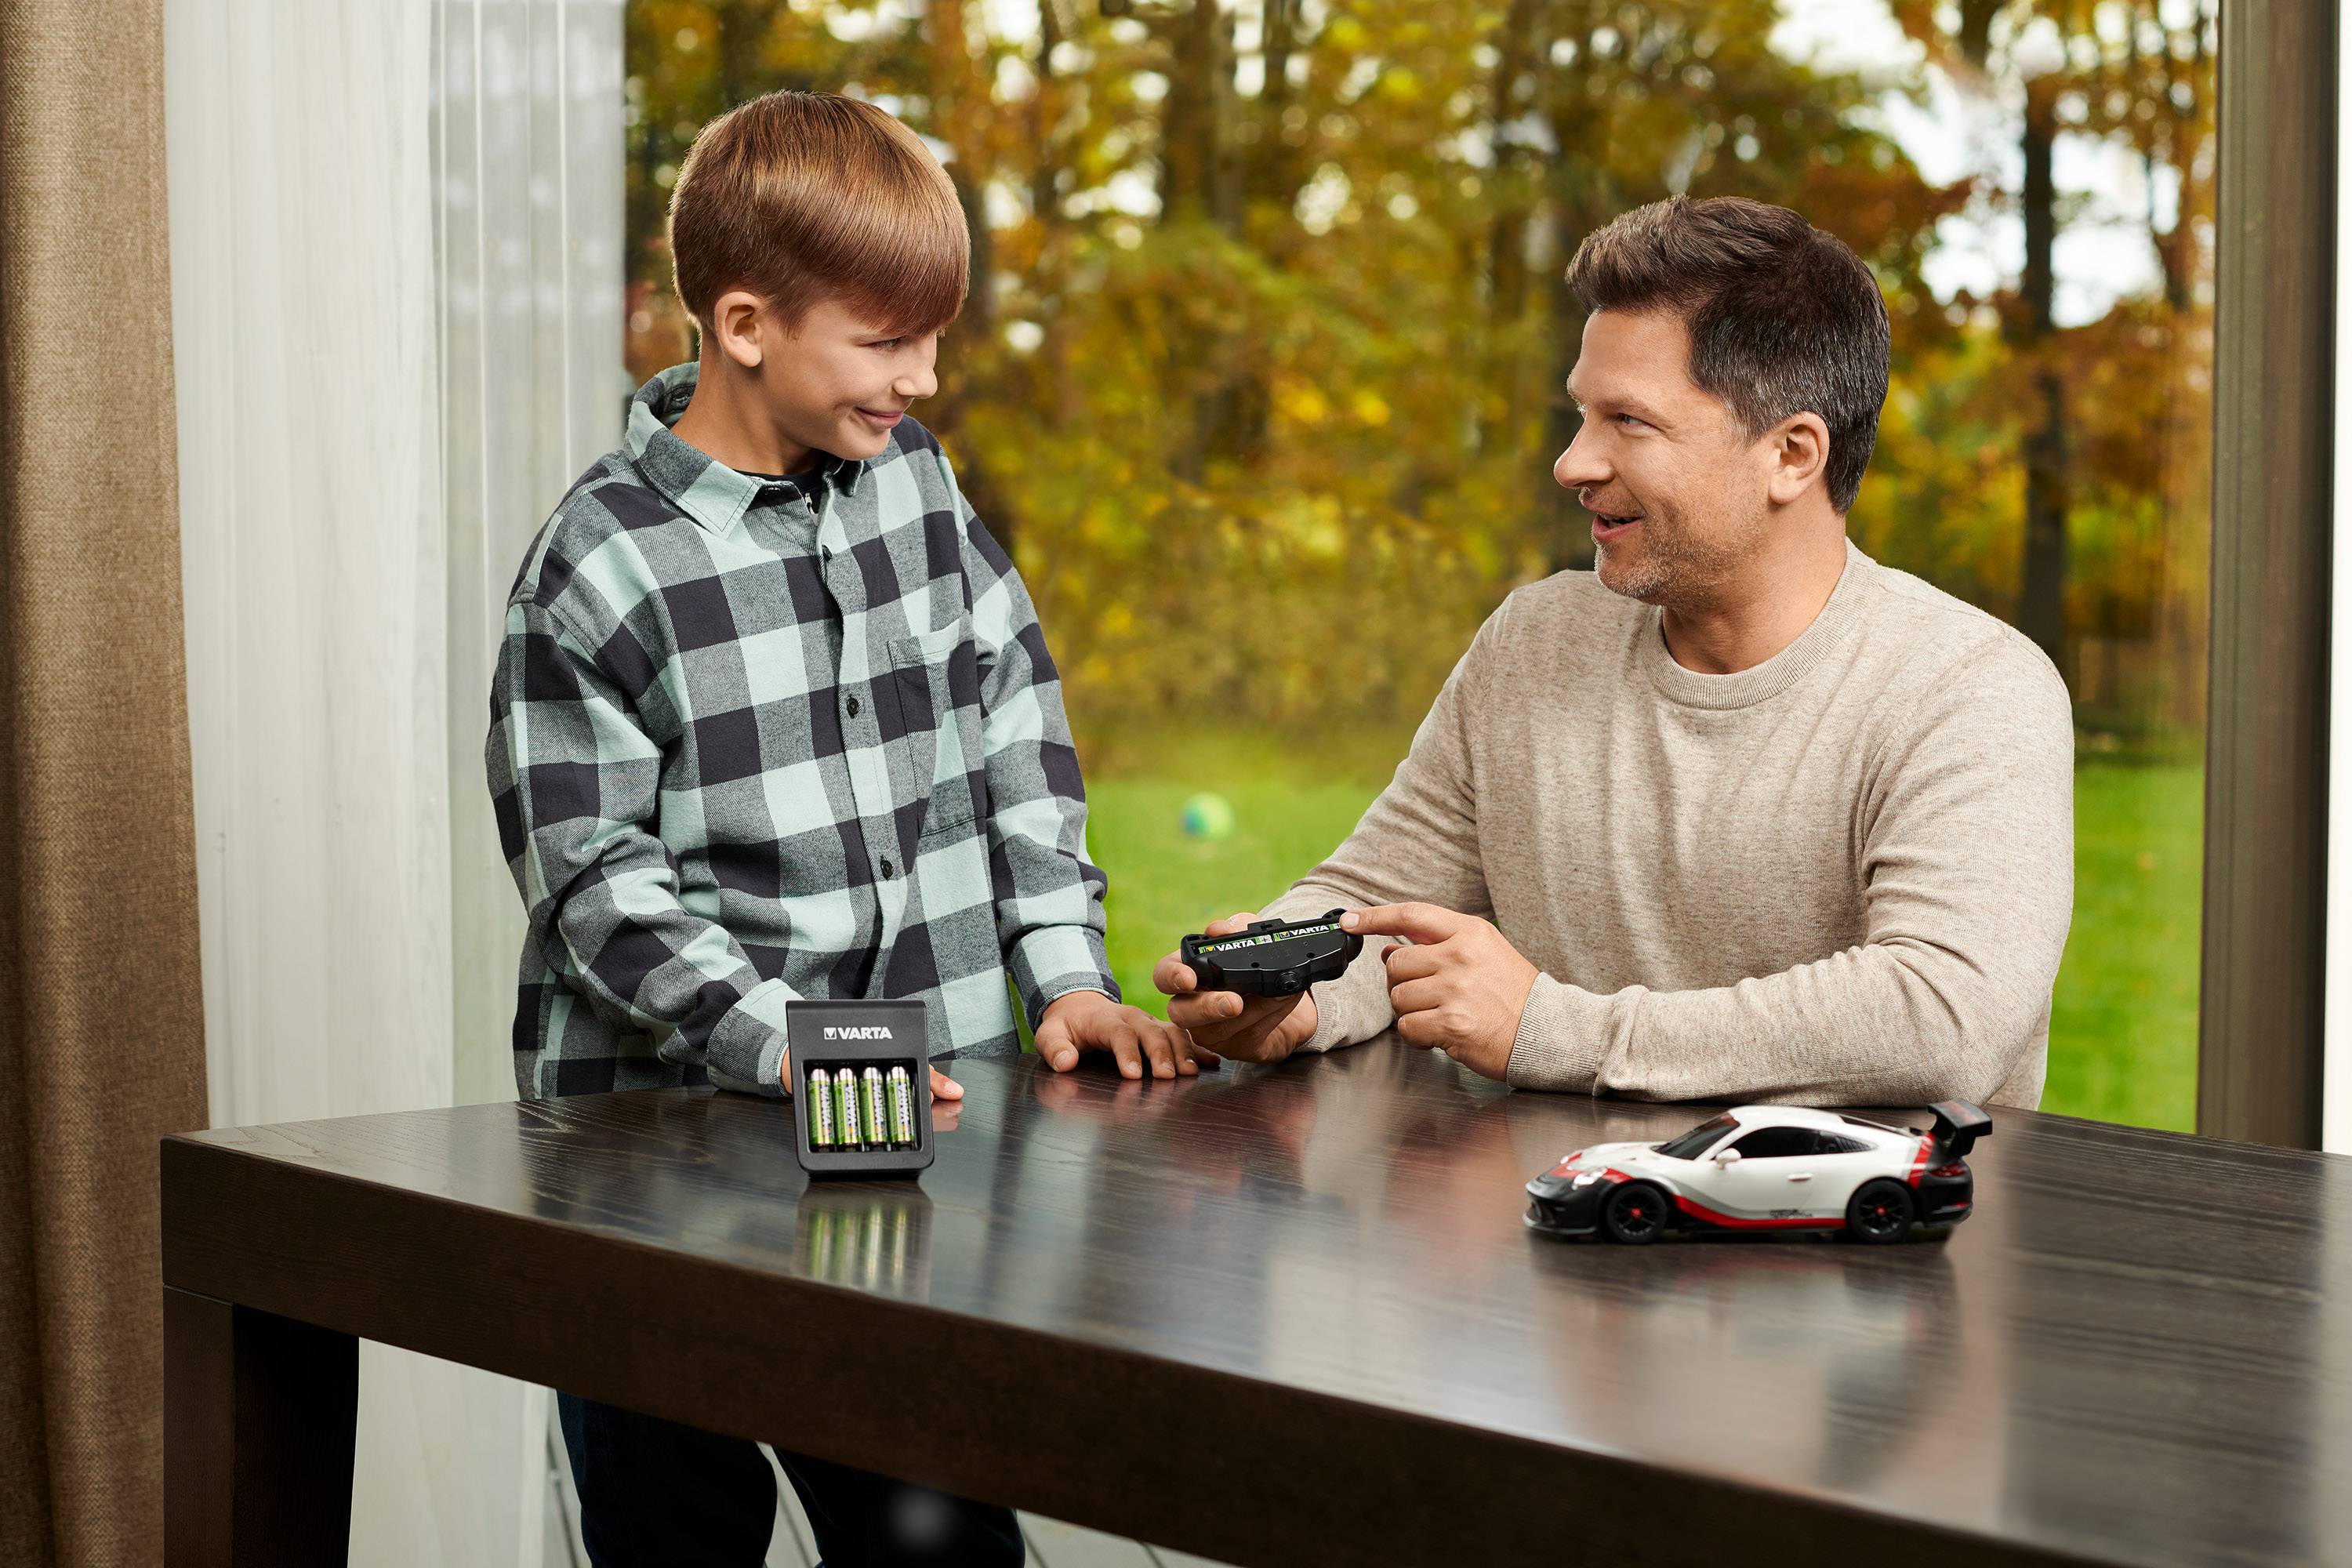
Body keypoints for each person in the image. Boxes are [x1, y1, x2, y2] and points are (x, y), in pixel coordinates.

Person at [488, 89, 1202, 1566]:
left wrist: (1064, 970)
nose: (923, 379)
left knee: (935, 1527)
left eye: (934, 339)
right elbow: (595, 884)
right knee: (674, 1525)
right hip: (657, 1173)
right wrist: (786, 1044)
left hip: (904, 1160)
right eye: (887, 341)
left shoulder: (918, 492)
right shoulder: (599, 571)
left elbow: (1015, 720)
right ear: (745, 323)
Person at [1156, 195, 2073, 1112]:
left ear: (1792, 455)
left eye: (1628, 421)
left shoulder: (1971, 688)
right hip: (1562, 1223)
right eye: (1582, 415)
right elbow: (1376, 900)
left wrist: (1553, 1028)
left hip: (1855, 1239)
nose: (1572, 463)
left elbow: (1945, 1017)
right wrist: (1290, 993)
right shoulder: (1537, 642)